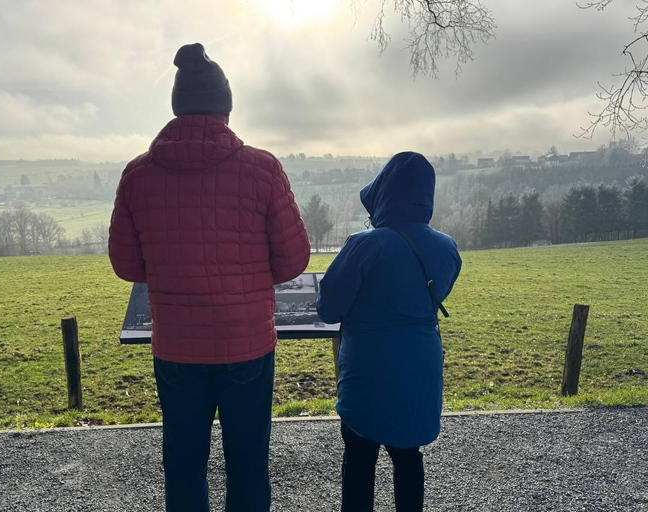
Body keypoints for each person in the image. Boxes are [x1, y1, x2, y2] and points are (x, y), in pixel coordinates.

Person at [108, 42, 310, 512]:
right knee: (248, 464)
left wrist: (168, 269)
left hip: (177, 347)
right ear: (226, 107)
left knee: (182, 465)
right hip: (247, 344)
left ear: (177, 107)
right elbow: (294, 259)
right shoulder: (263, 169)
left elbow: (126, 266)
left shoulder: (137, 175)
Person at [316, 152, 461, 512]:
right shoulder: (447, 247)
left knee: (359, 459)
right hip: (420, 367)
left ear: (383, 194)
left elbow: (328, 308)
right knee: (408, 456)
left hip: (369, 371)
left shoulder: (364, 245)